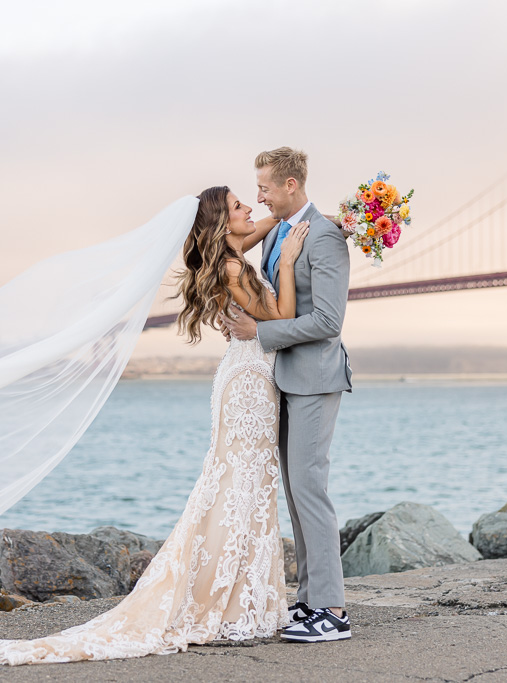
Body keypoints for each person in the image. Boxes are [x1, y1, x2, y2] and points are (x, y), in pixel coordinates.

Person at [0, 185, 311, 665]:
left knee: (244, 487)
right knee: (241, 486)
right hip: (248, 387)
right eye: (239, 205)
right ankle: (232, 601)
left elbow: (272, 223)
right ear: (221, 222)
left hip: (248, 379)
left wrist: (318, 218)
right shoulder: (233, 266)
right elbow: (280, 316)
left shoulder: (232, 251)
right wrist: (287, 261)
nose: (249, 209)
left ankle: (246, 597)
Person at [220, 146, 353, 643]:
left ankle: (333, 610)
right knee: (296, 493)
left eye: (265, 188)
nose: (259, 196)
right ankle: (309, 600)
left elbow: (328, 322)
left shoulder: (325, 236)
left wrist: (260, 333)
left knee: (310, 488)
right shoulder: (276, 231)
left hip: (316, 378)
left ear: (291, 185)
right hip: (282, 378)